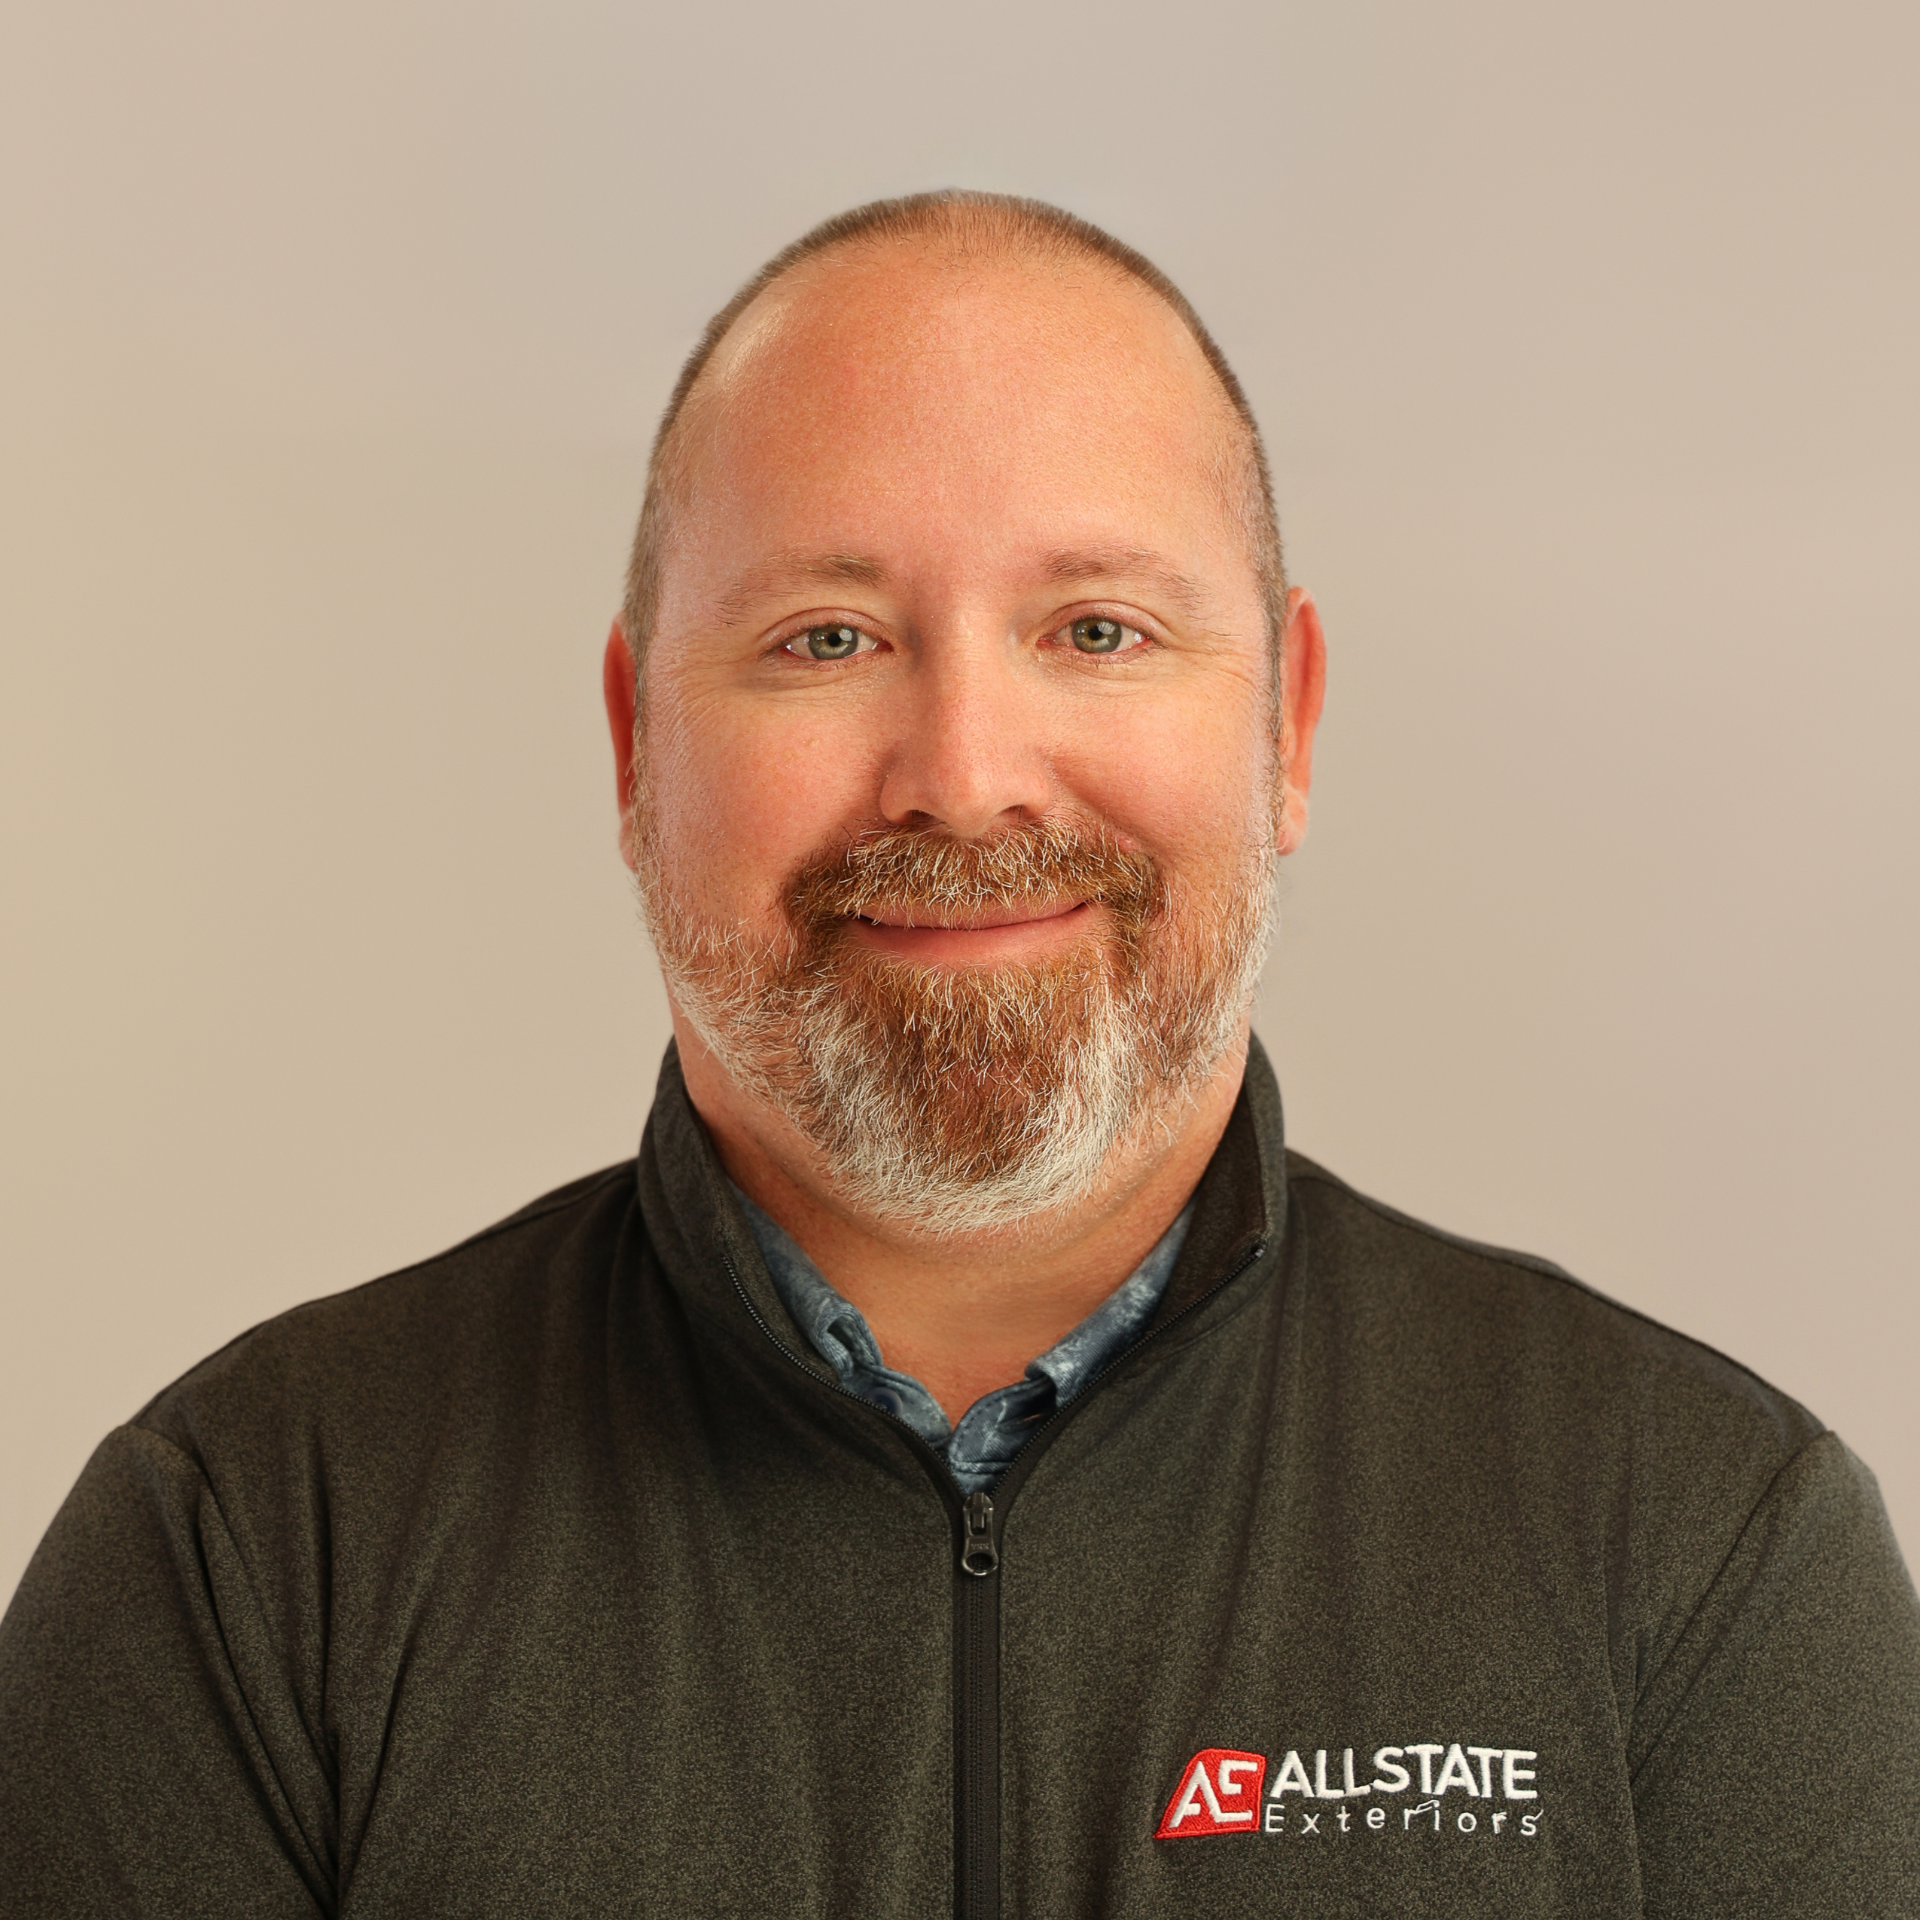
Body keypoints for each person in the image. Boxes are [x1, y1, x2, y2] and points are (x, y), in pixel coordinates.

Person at [1, 191, 1914, 1918]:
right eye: (828, 640)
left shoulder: (1695, 1556)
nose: (968, 773)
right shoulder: (252, 1557)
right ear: (634, 743)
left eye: (1096, 627)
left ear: (1290, 726)